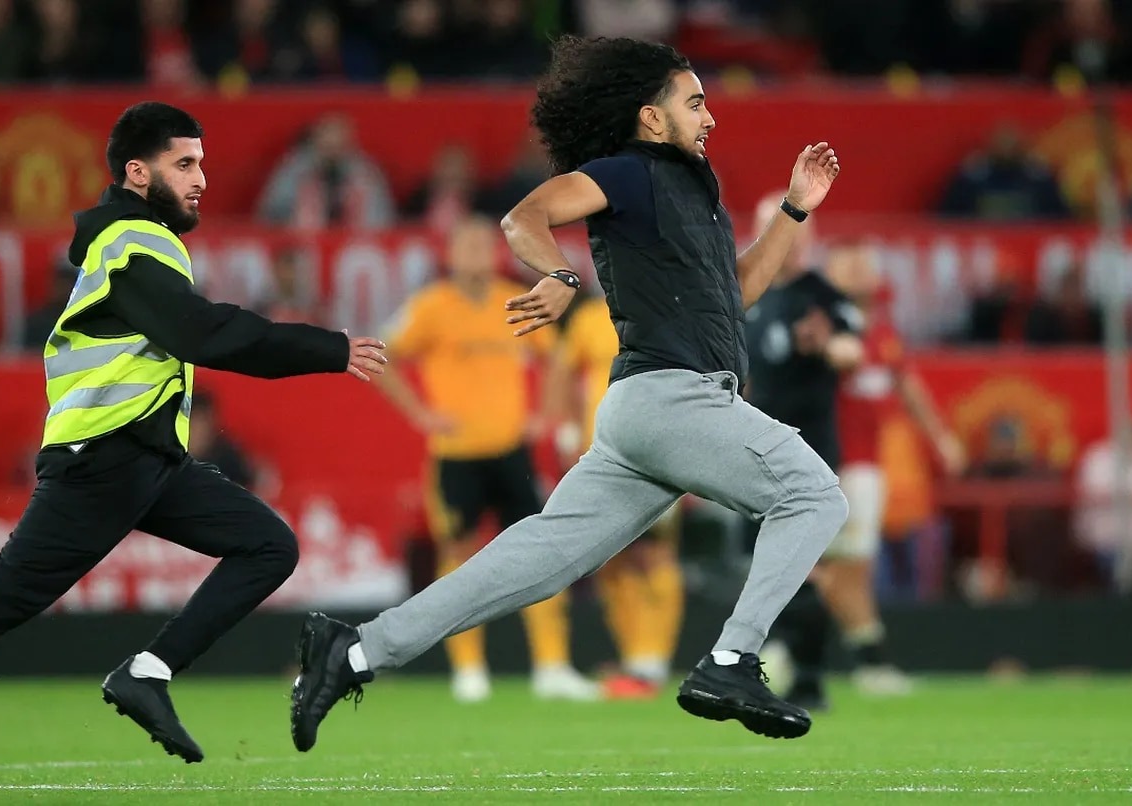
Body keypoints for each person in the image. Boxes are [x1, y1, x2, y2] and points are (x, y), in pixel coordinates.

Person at [0, 102, 389, 804]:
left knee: (268, 545)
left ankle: (147, 671)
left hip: (147, 461)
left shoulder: (137, 240)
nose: (201, 178)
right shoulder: (130, 240)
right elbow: (200, 333)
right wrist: (327, 348)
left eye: (202, 163)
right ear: (138, 173)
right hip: (103, 462)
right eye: (185, 164)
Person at [289, 35, 844, 753]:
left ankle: (356, 651)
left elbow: (734, 295)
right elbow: (524, 217)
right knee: (815, 494)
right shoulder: (630, 172)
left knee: (539, 562)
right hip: (674, 399)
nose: (711, 117)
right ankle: (731, 659)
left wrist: (793, 211)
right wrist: (558, 276)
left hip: (645, 414)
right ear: (650, 117)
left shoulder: (688, 186)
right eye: (695, 102)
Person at [376, 215, 598, 703]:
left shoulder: (513, 299)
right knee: (458, 558)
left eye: (484, 244)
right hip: (455, 456)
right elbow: (381, 355)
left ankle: (552, 665)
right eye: (468, 244)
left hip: (510, 452)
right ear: (450, 253)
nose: (478, 253)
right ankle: (469, 669)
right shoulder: (431, 307)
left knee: (541, 556)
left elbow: (561, 357)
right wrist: (421, 414)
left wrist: (548, 415)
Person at [819, 240, 964, 694]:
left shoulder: (882, 334)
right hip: (834, 463)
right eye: (852, 268)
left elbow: (908, 387)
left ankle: (859, 656)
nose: (862, 275)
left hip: (867, 464)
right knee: (836, 567)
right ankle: (856, 657)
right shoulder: (823, 329)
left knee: (847, 567)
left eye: (865, 268)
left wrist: (941, 437)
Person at [740, 193, 864, 711]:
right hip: (749, 451)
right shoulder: (745, 288)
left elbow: (852, 348)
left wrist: (827, 346)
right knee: (763, 566)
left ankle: (809, 675)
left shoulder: (822, 295)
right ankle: (789, 659)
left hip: (807, 452)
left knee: (803, 565)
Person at [546, 292, 684, 699]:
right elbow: (562, 372)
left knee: (654, 553)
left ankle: (652, 660)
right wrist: (566, 429)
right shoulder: (589, 317)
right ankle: (634, 661)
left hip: (658, 448)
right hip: (601, 453)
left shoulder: (668, 307)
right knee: (610, 559)